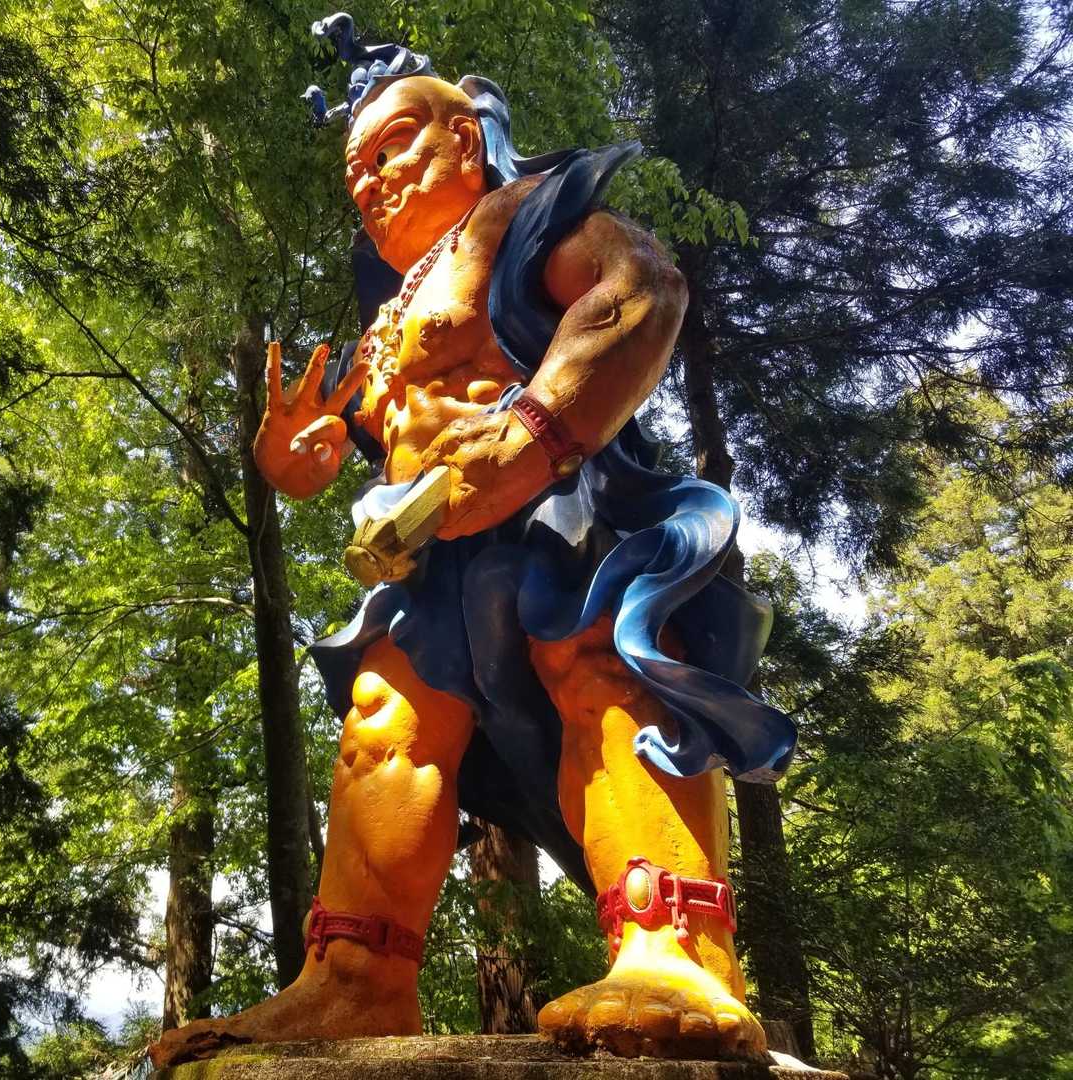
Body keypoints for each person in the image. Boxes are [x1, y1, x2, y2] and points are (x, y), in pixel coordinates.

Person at [152, 24, 796, 1068]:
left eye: (390, 148)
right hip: (428, 562)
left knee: (600, 676)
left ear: (461, 137)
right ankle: (355, 979)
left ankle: (674, 948)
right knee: (383, 728)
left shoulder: (520, 216)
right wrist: (291, 459)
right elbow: (354, 439)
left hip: (557, 509)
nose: (371, 182)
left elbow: (642, 287)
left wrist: (534, 431)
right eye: (357, 172)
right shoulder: (388, 314)